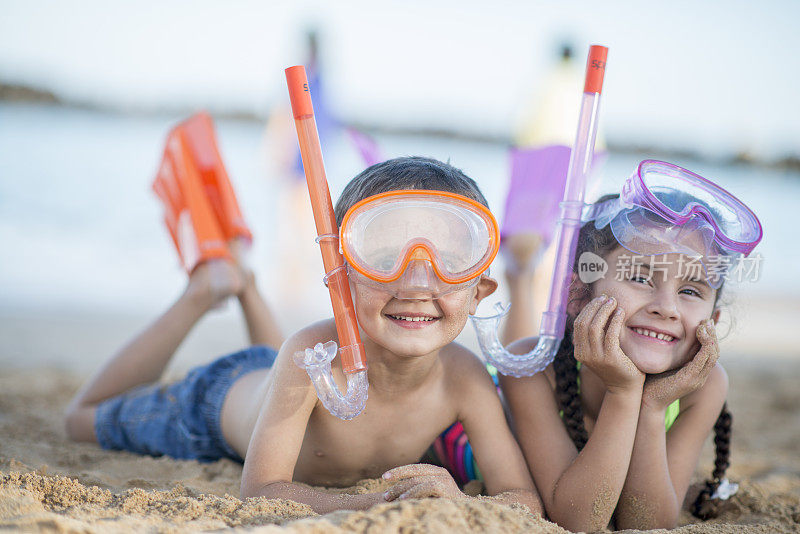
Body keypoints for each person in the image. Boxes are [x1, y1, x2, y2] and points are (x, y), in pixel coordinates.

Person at [64, 156, 543, 515]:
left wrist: (455, 499)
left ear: (479, 290)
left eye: (449, 262)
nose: (416, 284)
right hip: (212, 405)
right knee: (79, 425)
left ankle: (247, 287)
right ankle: (202, 292)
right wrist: (379, 503)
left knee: (275, 358)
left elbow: (524, 499)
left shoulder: (465, 378)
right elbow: (262, 491)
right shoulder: (310, 359)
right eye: (382, 257)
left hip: (273, 378)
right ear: (339, 274)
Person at [435, 160, 762, 530]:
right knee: (531, 338)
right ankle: (521, 272)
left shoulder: (703, 387)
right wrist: (623, 393)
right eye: (639, 277)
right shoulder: (527, 368)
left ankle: (523, 270)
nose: (667, 308)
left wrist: (652, 408)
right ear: (578, 293)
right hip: (460, 442)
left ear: (712, 322)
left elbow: (649, 524)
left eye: (690, 290)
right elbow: (578, 521)